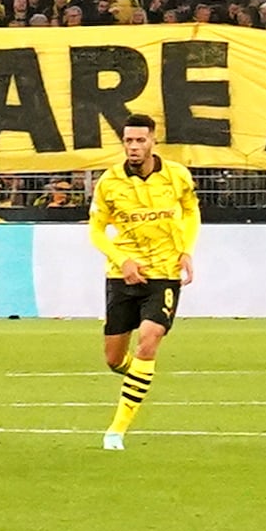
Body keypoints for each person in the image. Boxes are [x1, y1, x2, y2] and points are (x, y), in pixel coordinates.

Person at [91, 114, 197, 451]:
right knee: (113, 359)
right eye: (128, 141)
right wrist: (123, 261)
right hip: (122, 276)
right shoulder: (109, 183)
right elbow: (95, 230)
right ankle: (139, 375)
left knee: (149, 339)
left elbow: (191, 211)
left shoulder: (177, 176)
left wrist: (185, 250)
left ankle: (116, 431)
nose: (134, 147)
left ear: (153, 140)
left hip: (164, 273)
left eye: (140, 140)